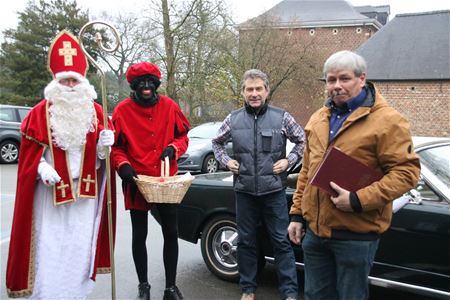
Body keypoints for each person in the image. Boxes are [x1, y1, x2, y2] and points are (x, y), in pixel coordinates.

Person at [287, 50, 421, 300]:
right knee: (315, 296)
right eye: (330, 80)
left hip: (356, 236)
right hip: (315, 235)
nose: (336, 86)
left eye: (344, 78)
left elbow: (406, 173)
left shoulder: (389, 121)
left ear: (362, 79)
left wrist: (358, 199)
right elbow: (307, 170)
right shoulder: (318, 118)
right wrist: (296, 214)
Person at [5, 30, 116, 299]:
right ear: (55, 81)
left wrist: (105, 145)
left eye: (74, 80)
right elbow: (30, 158)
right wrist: (43, 169)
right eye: (64, 80)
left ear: (83, 82)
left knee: (79, 247)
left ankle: (76, 294)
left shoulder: (96, 113)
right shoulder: (38, 114)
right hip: (50, 197)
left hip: (84, 199)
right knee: (51, 246)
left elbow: (103, 162)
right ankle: (49, 293)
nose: (69, 85)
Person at [212, 69, 305, 300]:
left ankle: (290, 293)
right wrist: (226, 161)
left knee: (282, 242)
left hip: (273, 191)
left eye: (258, 89)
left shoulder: (282, 117)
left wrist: (289, 160)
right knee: (246, 242)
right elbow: (216, 143)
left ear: (267, 90)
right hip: (244, 192)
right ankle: (248, 289)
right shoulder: (232, 119)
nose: (254, 93)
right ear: (243, 92)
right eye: (249, 89)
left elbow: (303, 141)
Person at [111, 61, 190, 300]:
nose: (146, 86)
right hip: (136, 180)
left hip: (166, 182)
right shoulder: (122, 110)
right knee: (139, 235)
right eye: (140, 83)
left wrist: (174, 148)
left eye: (149, 82)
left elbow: (183, 135)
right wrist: (123, 166)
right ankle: (143, 286)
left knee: (170, 232)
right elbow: (116, 148)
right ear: (134, 86)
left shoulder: (169, 106)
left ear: (155, 84)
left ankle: (170, 287)